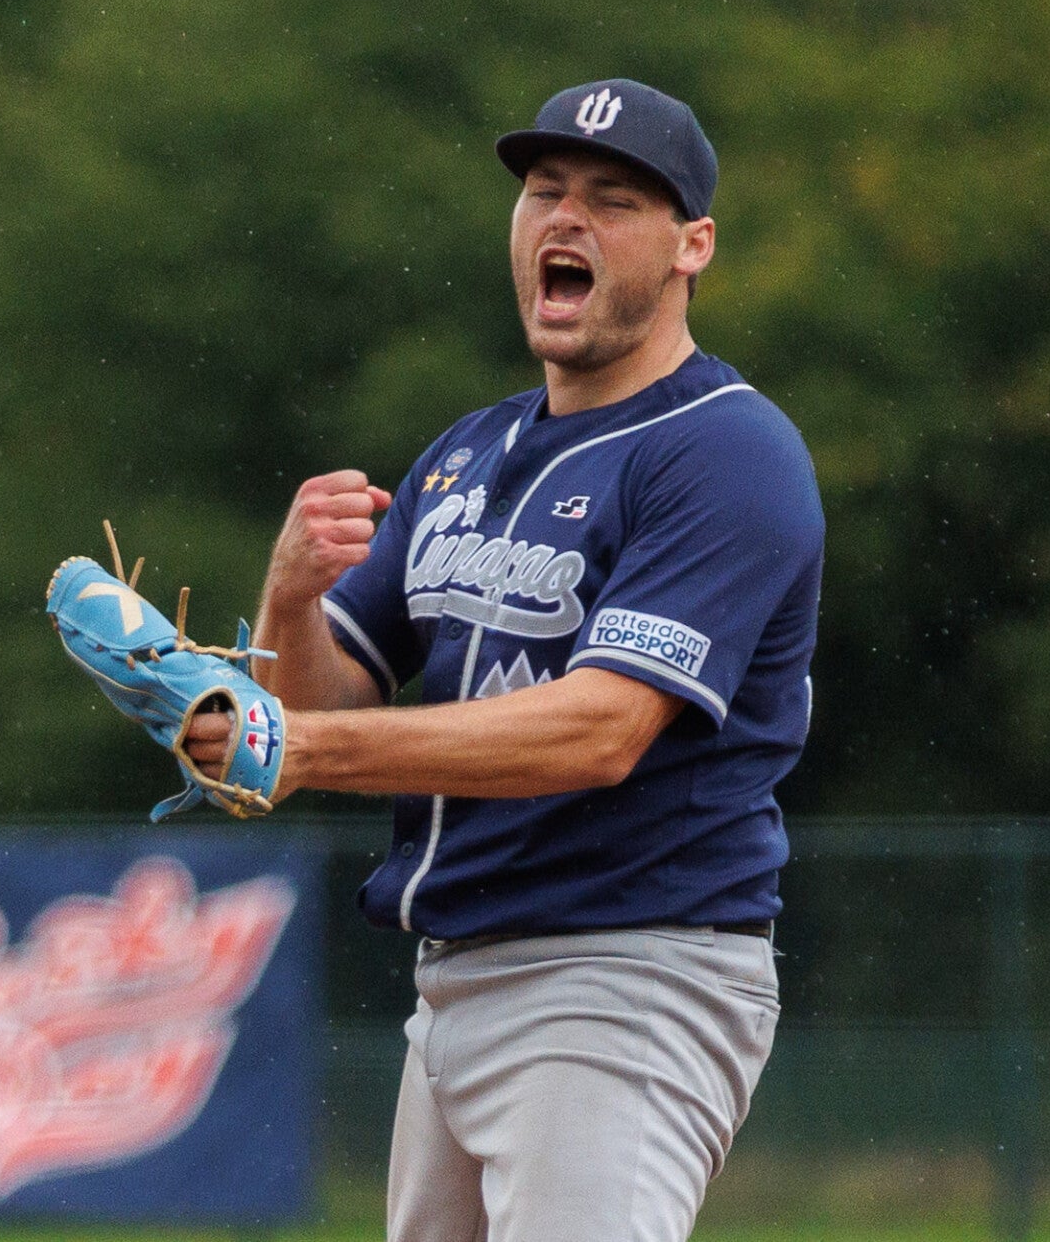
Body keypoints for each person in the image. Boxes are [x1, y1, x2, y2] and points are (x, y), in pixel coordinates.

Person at [187, 77, 824, 1242]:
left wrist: (303, 746)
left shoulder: (724, 449)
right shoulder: (464, 455)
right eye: (543, 190)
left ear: (692, 245)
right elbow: (316, 698)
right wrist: (287, 598)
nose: (566, 218)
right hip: (452, 982)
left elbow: (600, 730)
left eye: (613, 199)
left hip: (621, 973)